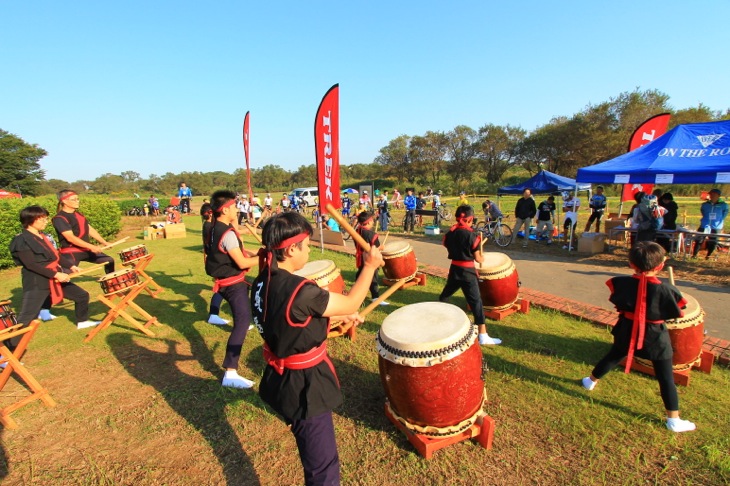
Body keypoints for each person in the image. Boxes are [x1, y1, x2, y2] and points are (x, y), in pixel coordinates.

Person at [250, 211, 383, 485]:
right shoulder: (300, 290)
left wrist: (334, 317)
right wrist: (369, 267)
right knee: (322, 467)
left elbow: (288, 321)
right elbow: (351, 303)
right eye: (307, 245)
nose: (309, 250)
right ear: (290, 249)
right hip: (304, 388)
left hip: (279, 380)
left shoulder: (261, 281)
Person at [581, 242, 696, 433]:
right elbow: (680, 309)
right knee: (665, 377)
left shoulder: (620, 283)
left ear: (630, 263)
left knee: (614, 355)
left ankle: (591, 381)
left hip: (626, 328)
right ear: (660, 266)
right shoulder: (668, 291)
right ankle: (673, 420)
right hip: (656, 336)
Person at [9, 205, 100, 350]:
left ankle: (82, 321)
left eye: (45, 218)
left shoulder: (42, 236)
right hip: (36, 281)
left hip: (53, 277)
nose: (45, 221)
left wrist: (70, 266)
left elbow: (55, 256)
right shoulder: (21, 240)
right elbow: (31, 265)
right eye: (42, 218)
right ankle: (7, 352)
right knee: (27, 317)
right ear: (30, 220)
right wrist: (56, 274)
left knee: (81, 296)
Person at [204, 190, 260, 389]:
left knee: (243, 318)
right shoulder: (226, 232)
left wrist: (255, 253)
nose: (237, 208)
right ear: (226, 209)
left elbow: (236, 252)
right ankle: (230, 372)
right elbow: (242, 261)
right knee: (243, 321)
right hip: (232, 284)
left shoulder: (212, 226)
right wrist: (267, 257)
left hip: (226, 280)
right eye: (234, 206)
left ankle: (213, 315)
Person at [439, 205, 501, 345]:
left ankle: (444, 322)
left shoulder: (450, 233)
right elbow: (478, 259)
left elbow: (446, 245)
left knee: (444, 296)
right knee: (476, 302)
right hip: (468, 273)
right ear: (470, 219)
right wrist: (481, 258)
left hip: (454, 269)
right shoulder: (472, 236)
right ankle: (483, 335)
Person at [50, 189, 114, 324]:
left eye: (78, 199)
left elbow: (89, 229)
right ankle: (46, 302)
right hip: (70, 252)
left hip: (85, 250)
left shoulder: (79, 215)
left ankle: (112, 286)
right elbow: (70, 237)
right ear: (64, 201)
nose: (77, 201)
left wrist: (104, 242)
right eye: (74, 199)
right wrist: (92, 247)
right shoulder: (59, 218)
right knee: (63, 278)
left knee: (109, 260)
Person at [201, 203, 229, 326]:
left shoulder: (209, 226)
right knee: (225, 288)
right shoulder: (209, 227)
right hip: (217, 261)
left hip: (216, 260)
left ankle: (214, 314)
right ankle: (214, 314)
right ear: (211, 213)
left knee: (226, 289)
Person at [356, 211, 387, 305]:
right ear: (368, 222)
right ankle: (375, 297)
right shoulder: (371, 234)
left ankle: (357, 296)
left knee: (360, 275)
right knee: (373, 277)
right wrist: (381, 247)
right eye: (372, 220)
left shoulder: (357, 230)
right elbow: (376, 248)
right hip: (370, 258)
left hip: (360, 257)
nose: (373, 222)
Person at [692, 188, 729, 260]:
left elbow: (724, 214)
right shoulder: (705, 205)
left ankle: (708, 256)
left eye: (714, 194)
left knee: (713, 241)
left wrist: (718, 221)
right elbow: (703, 212)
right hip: (704, 225)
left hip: (716, 226)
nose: (712, 195)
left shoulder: (724, 205)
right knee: (699, 240)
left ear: (718, 195)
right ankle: (694, 255)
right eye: (711, 194)